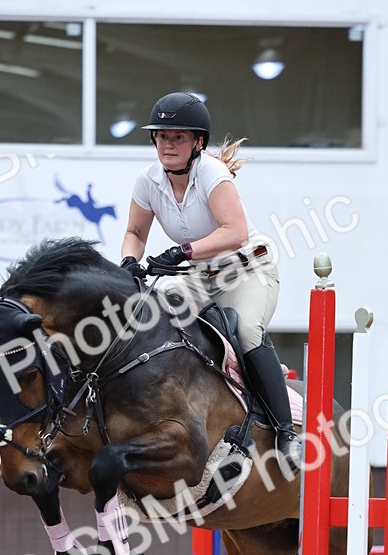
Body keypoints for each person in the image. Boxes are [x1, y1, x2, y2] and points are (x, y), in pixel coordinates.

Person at [120, 91, 301, 476]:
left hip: (247, 269)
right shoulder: (147, 181)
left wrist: (181, 252)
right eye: (162, 136)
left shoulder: (212, 175)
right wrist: (129, 263)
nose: (168, 144)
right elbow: (135, 230)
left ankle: (286, 432)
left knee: (247, 331)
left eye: (178, 137)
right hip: (196, 276)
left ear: (198, 142)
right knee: (152, 318)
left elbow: (234, 233)